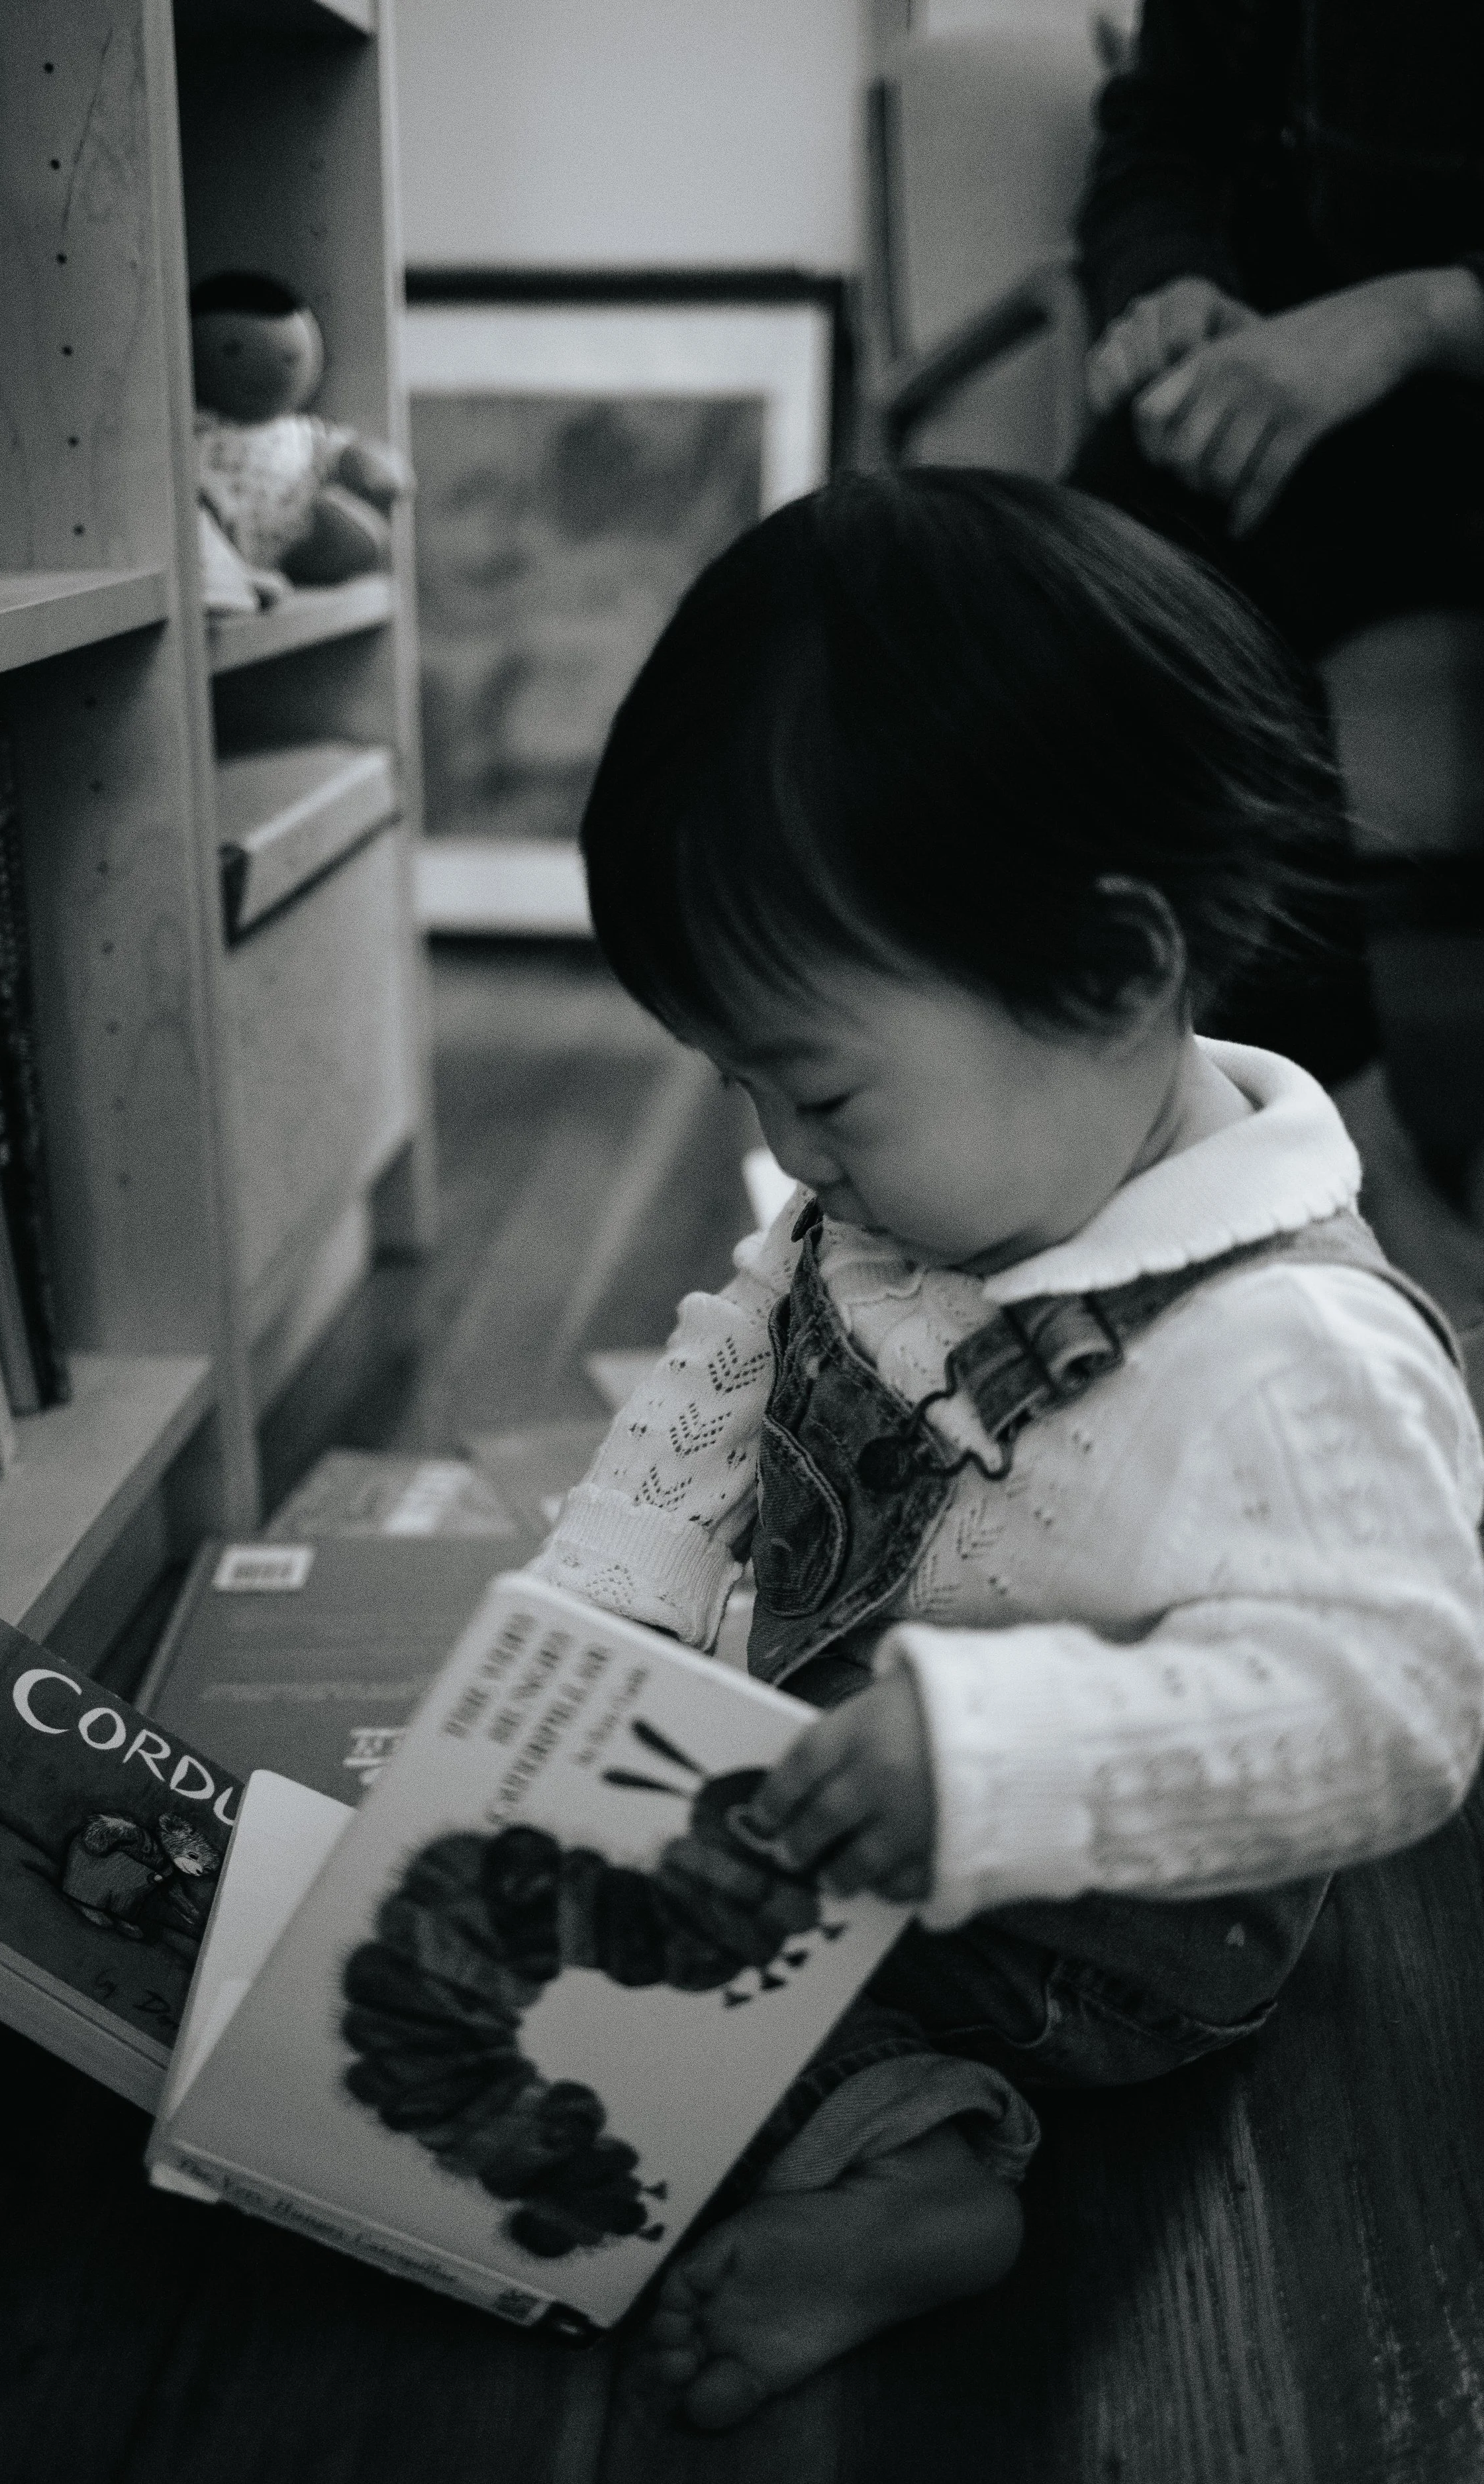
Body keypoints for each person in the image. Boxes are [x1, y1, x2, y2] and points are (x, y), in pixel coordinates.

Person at [532, 467, 1484, 2430]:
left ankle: (924, 2178)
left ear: (1118, 974)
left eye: (816, 1086)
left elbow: (1394, 1707)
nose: (792, 1152)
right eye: (745, 1082)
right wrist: (593, 1605)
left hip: (1084, 1913)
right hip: (821, 1754)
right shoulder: (906, 1202)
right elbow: (729, 1371)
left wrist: (1008, 1757)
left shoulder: (1285, 1349)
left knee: (679, 2023)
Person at [1069, 0, 1484, 1127]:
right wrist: (1170, 285)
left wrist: (1422, 317)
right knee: (1130, 537)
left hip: (1425, 349)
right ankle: (1317, 1127)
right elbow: (1163, 137)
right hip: (1322, 399)